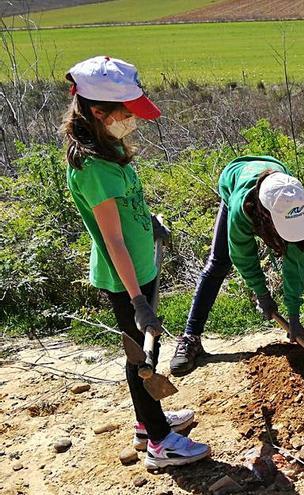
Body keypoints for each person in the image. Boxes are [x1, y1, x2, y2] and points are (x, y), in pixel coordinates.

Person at [63, 56, 210, 469]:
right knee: (141, 361)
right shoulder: (92, 167)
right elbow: (111, 238)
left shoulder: (109, 148)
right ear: (98, 111)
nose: (135, 121)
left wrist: (148, 222)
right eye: (127, 114)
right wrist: (137, 301)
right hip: (124, 276)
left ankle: (151, 422)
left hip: (142, 266)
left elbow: (125, 214)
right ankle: (159, 444)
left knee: (150, 351)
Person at [170, 155, 304, 376]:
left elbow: (296, 263)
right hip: (235, 183)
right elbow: (243, 256)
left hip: (275, 188)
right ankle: (190, 337)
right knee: (218, 262)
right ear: (266, 214)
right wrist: (261, 293)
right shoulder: (241, 208)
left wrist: (294, 315)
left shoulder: (293, 199)